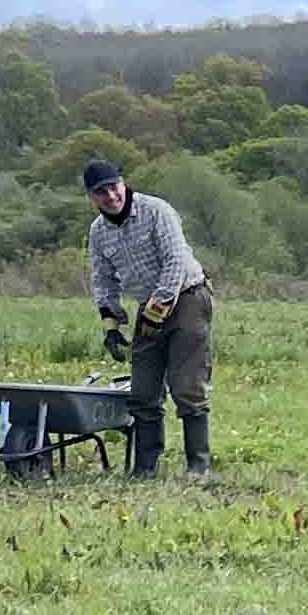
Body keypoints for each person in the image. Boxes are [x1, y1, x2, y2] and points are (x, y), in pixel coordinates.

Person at [82, 159, 214, 479]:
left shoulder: (157, 211)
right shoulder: (98, 232)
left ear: (123, 183)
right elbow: (102, 279)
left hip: (187, 297)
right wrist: (111, 325)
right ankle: (145, 469)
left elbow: (175, 262)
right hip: (148, 305)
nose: (110, 196)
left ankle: (198, 467)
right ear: (91, 197)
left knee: (186, 387)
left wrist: (157, 312)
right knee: (142, 392)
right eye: (100, 192)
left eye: (113, 187)